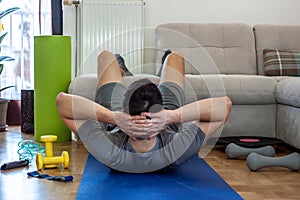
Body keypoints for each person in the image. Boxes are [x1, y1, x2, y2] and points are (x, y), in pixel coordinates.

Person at [56, 50, 232, 173]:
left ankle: (122, 68)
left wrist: (114, 117)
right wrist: (171, 116)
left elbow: (62, 102)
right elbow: (225, 105)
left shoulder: (110, 151)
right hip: (160, 117)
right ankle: (159, 68)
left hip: (121, 115)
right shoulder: (174, 152)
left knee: (105, 56)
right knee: (175, 57)